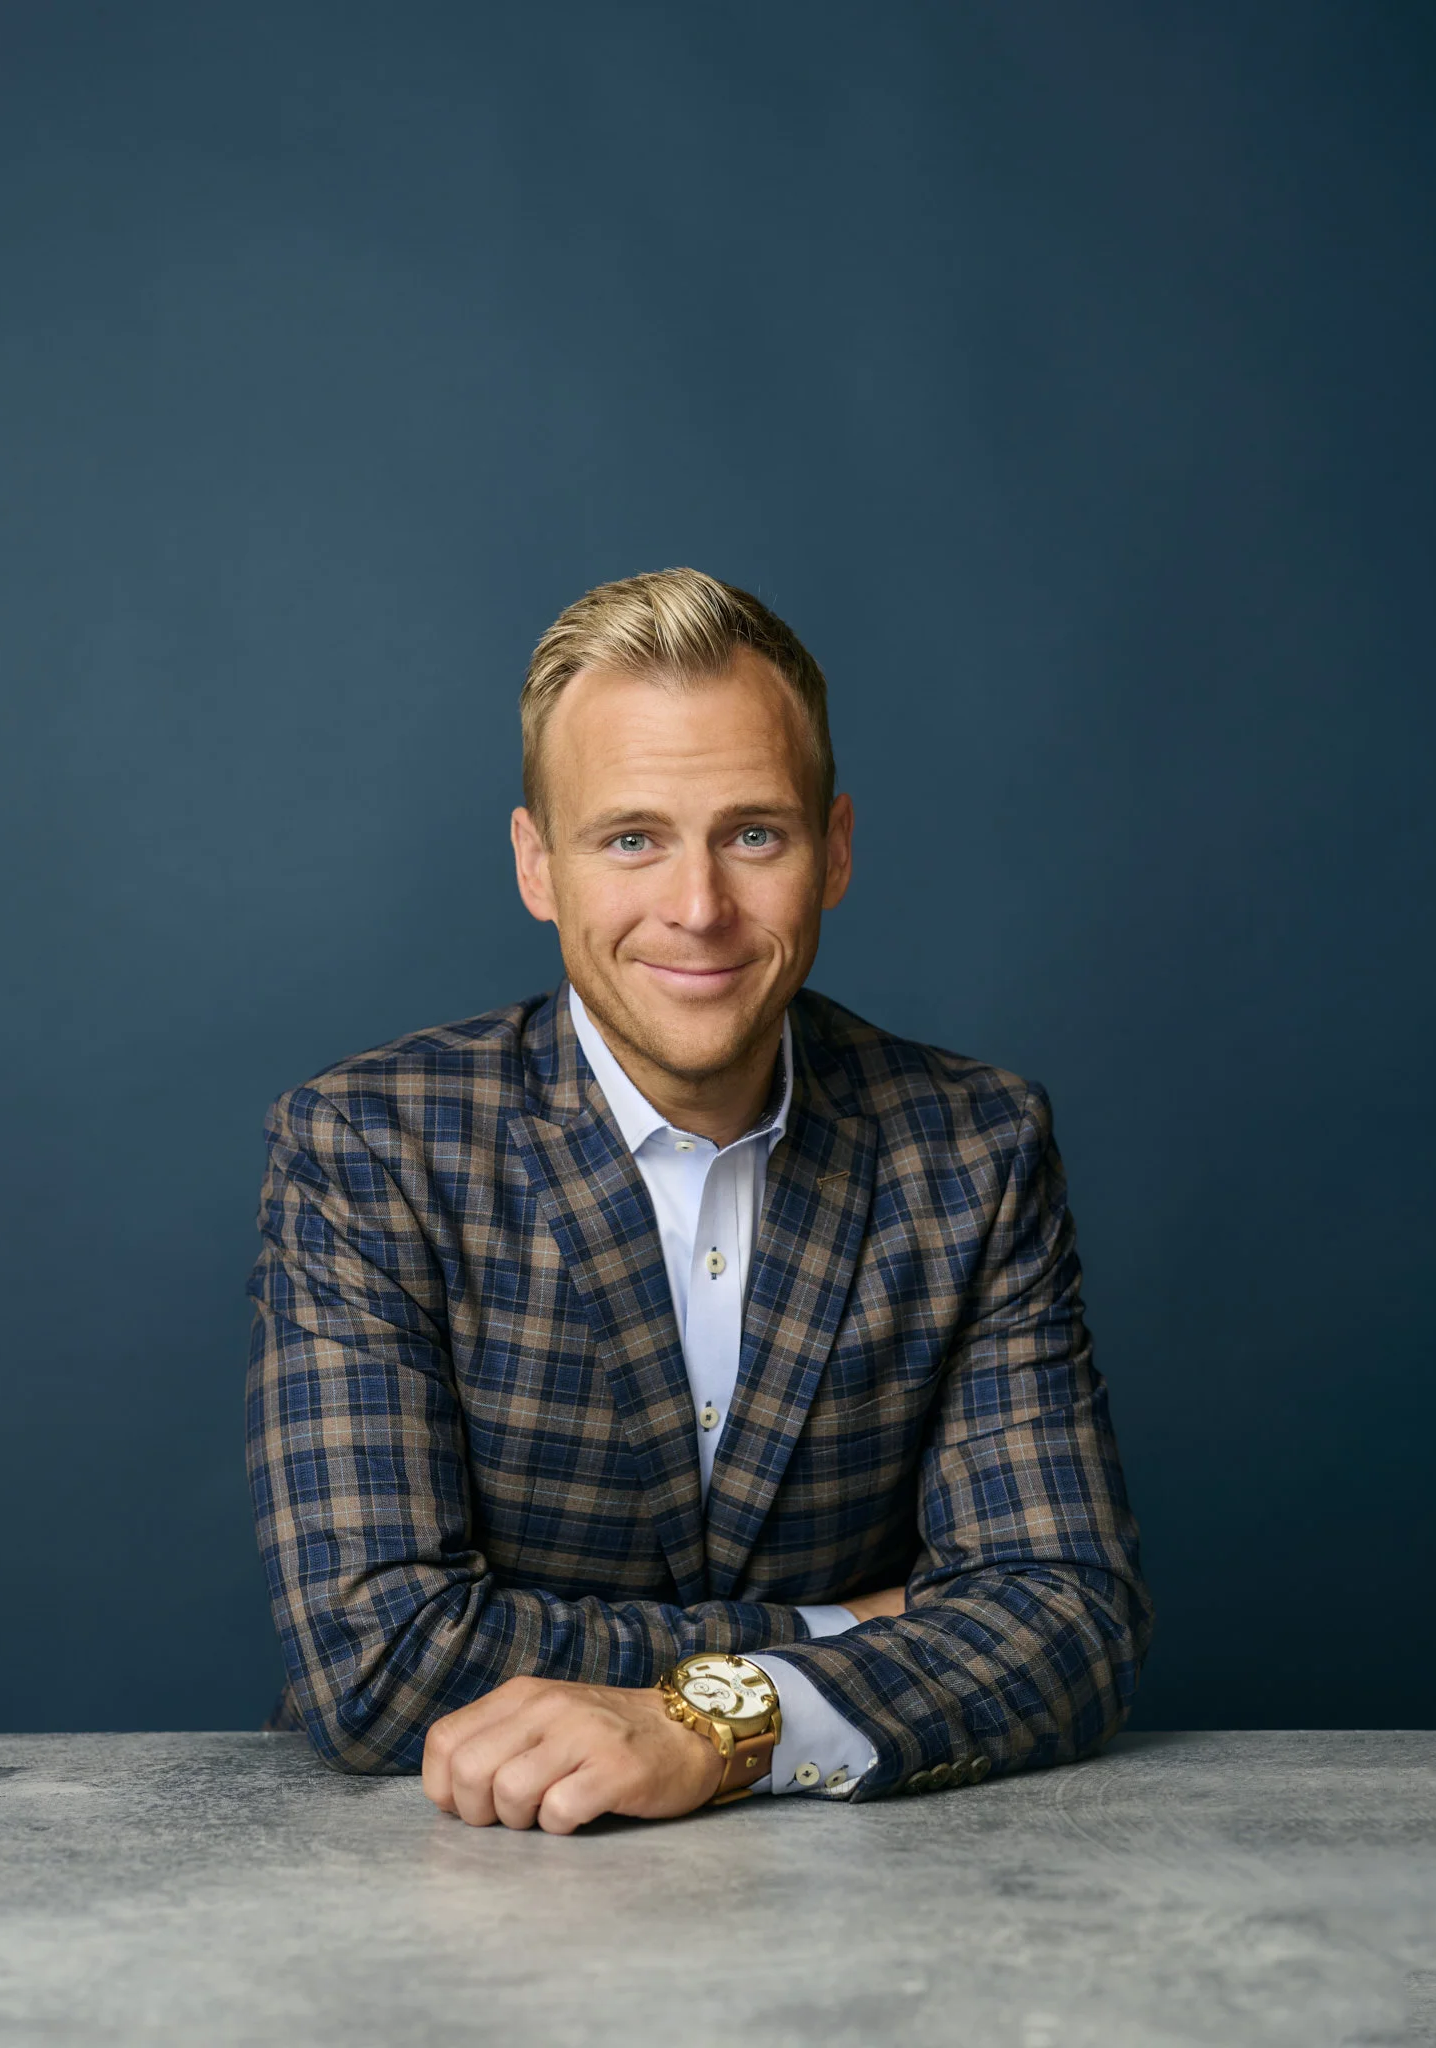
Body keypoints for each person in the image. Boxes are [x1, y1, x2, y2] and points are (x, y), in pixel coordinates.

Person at [247, 568, 1152, 1834]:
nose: (697, 907)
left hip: (889, 1916)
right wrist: (841, 1633)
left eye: (754, 833)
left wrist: (713, 1725)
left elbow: (1069, 1615)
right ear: (536, 864)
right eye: (631, 837)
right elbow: (377, 1660)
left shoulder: (976, 1149)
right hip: (456, 1900)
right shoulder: (369, 1149)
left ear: (833, 850)